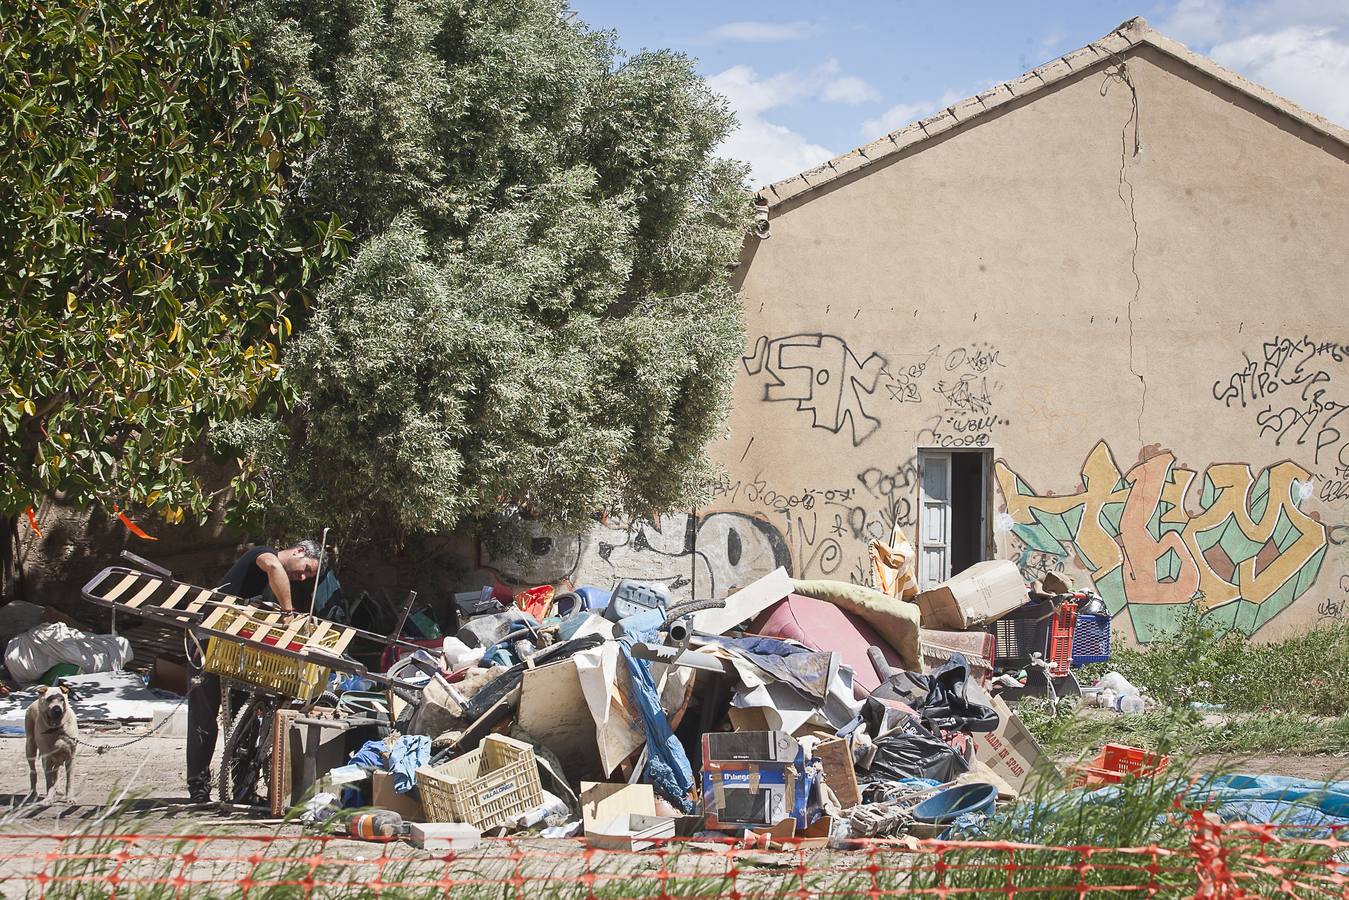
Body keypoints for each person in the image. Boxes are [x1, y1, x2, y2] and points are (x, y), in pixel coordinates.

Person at [186, 540, 322, 804]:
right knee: (204, 716)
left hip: (232, 647)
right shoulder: (263, 555)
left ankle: (243, 789)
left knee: (243, 718)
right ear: (299, 551)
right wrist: (287, 611)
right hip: (206, 639)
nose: (303, 577)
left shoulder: (270, 581)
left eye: (308, 576)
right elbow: (272, 566)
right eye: (306, 569)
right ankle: (198, 791)